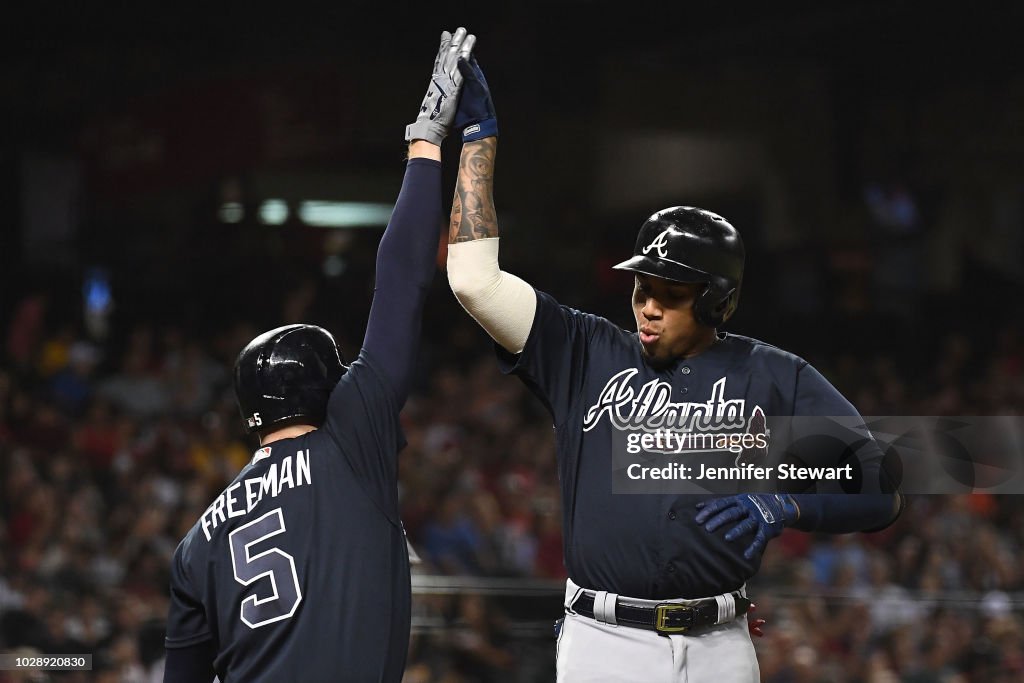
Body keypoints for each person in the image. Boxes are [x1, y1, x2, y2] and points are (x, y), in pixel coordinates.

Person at [445, 55, 903, 681]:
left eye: (671, 294)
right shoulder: (585, 351)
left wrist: (787, 505)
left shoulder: (769, 373)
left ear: (718, 299)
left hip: (720, 643)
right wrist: (477, 143)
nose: (648, 306)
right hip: (603, 642)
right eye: (641, 289)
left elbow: (880, 485)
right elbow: (474, 282)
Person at [162, 28, 477, 683]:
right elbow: (401, 279)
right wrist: (426, 140)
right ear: (331, 390)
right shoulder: (351, 438)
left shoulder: (197, 541)